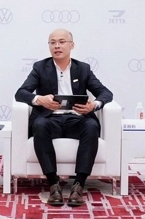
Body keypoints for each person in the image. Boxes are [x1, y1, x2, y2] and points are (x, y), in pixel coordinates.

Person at [15, 28, 113, 207]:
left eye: (61, 42)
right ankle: (53, 184)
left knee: (91, 126)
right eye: (52, 42)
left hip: (76, 119)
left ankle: (78, 185)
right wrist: (40, 100)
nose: (57, 46)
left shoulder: (83, 69)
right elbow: (21, 93)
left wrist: (93, 105)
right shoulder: (40, 67)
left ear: (71, 45)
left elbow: (105, 93)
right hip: (50, 119)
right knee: (40, 125)